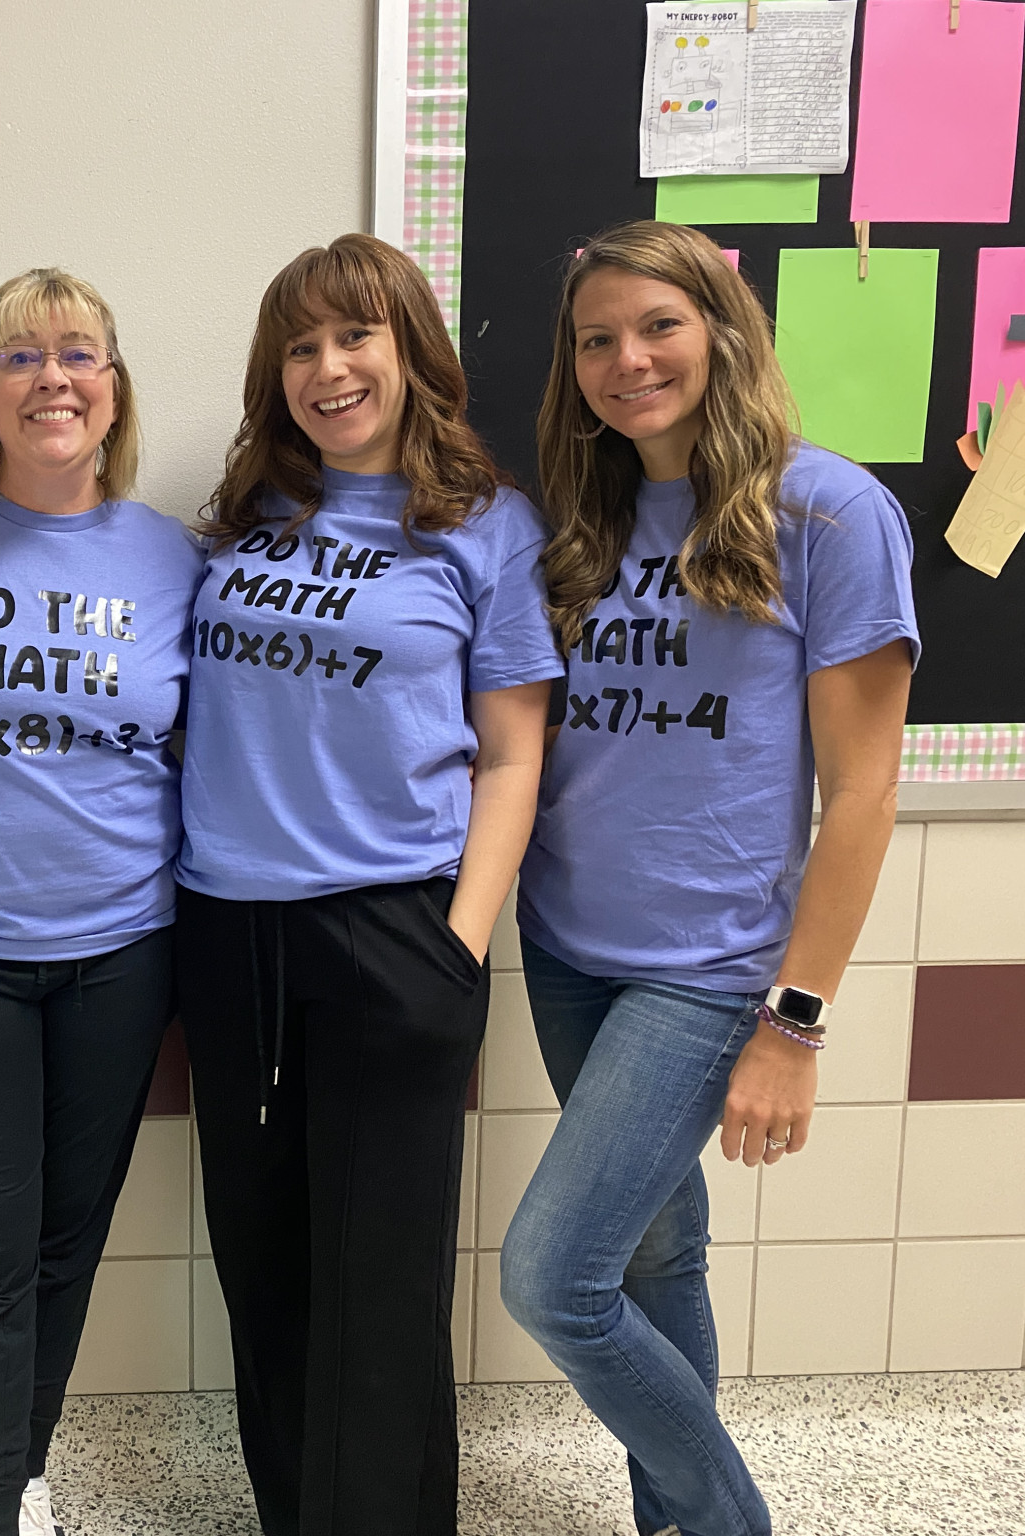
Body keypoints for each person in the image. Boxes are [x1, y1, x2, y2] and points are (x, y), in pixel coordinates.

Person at [502, 220, 917, 1536]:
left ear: (723, 332)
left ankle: (728, 1522)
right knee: (653, 1252)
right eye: (596, 340)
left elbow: (863, 795)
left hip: (708, 968)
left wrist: (793, 1023)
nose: (627, 360)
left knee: (551, 1280)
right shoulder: (581, 518)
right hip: (567, 947)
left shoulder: (828, 513)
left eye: (657, 326)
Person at [175, 233, 562, 1535]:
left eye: (355, 336)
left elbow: (513, 753)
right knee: (266, 1267)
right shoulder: (244, 519)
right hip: (229, 934)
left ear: (411, 352)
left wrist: (457, 946)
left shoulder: (483, 527)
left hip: (395, 927)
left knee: (379, 1286)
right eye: (300, 345)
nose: (328, 367)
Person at [0, 268, 203, 1536]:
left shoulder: (173, 557)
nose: (50, 376)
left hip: (122, 953)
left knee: (67, 1240)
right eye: (19, 356)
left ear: (112, 391)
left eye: (76, 353)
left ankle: (19, 1469)